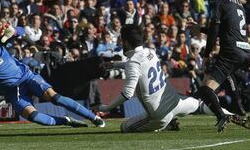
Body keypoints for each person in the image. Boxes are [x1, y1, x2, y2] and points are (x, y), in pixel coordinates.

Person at [97, 24, 236, 133]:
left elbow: (127, 93)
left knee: (124, 127)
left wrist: (106, 107)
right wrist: (114, 65)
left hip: (159, 116)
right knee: (199, 105)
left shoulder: (133, 62)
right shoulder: (150, 52)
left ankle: (167, 125)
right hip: (175, 102)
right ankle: (231, 114)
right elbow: (136, 66)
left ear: (126, 42)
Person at [188, 0, 250, 132]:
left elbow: (215, 32)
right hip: (244, 50)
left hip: (231, 51)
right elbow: (224, 28)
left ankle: (222, 116)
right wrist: (201, 28)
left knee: (205, 89)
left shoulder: (219, 2)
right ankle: (240, 110)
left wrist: (205, 55)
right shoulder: (238, 3)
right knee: (228, 74)